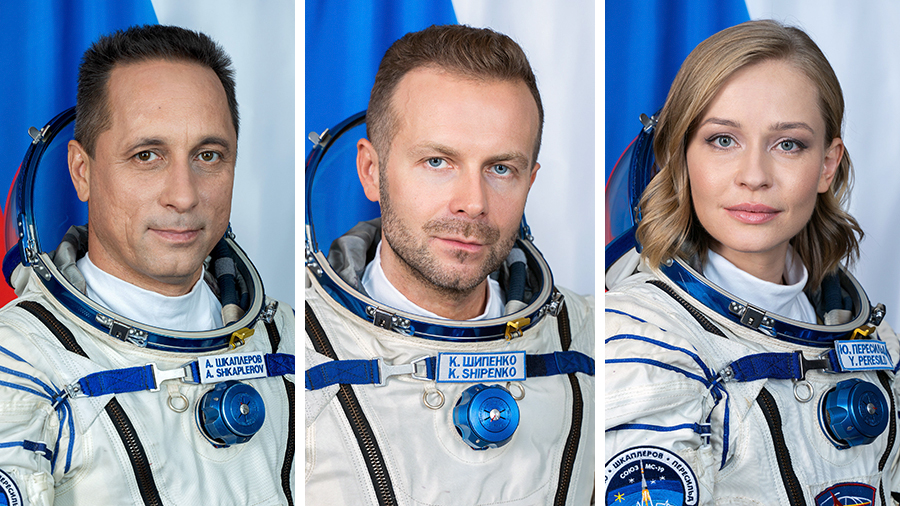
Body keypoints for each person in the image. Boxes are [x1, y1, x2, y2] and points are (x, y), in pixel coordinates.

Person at [605, 20, 900, 505]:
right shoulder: (643, 336)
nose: (754, 176)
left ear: (827, 164)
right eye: (723, 140)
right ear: (680, 157)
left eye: (789, 144)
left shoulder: (865, 333)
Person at [0, 25, 295, 506]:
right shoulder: (20, 363)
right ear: (83, 171)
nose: (184, 194)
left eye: (209, 155)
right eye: (147, 156)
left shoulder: (288, 340)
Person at [304, 25, 594, 505]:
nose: (472, 203)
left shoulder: (593, 342)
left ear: (530, 181)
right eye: (438, 162)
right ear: (371, 172)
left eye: (501, 168)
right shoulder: (298, 354)